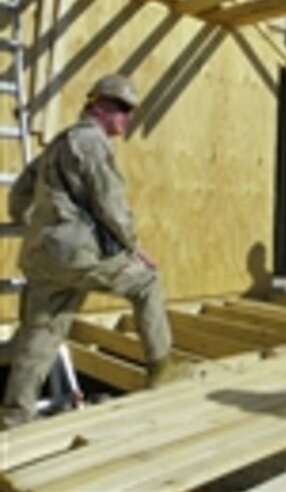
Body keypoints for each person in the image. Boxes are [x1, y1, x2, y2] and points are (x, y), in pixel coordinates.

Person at [1, 73, 186, 429]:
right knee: (146, 281)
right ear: (98, 105)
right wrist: (136, 248)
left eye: (131, 111)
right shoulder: (93, 143)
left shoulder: (58, 143)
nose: (128, 118)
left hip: (42, 256)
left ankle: (15, 415)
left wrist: (42, 225)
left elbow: (19, 196)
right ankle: (161, 370)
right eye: (122, 109)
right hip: (77, 255)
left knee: (42, 333)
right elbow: (111, 205)